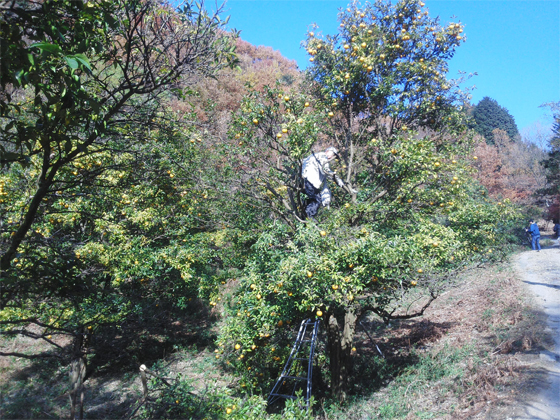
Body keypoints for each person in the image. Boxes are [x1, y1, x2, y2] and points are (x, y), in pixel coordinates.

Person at [301, 147, 355, 219]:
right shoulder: (323, 157)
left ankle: (304, 219)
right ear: (327, 151)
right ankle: (309, 218)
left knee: (307, 201)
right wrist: (338, 180)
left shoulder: (314, 155)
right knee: (316, 200)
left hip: (303, 181)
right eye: (333, 154)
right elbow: (325, 171)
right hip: (310, 182)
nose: (332, 157)